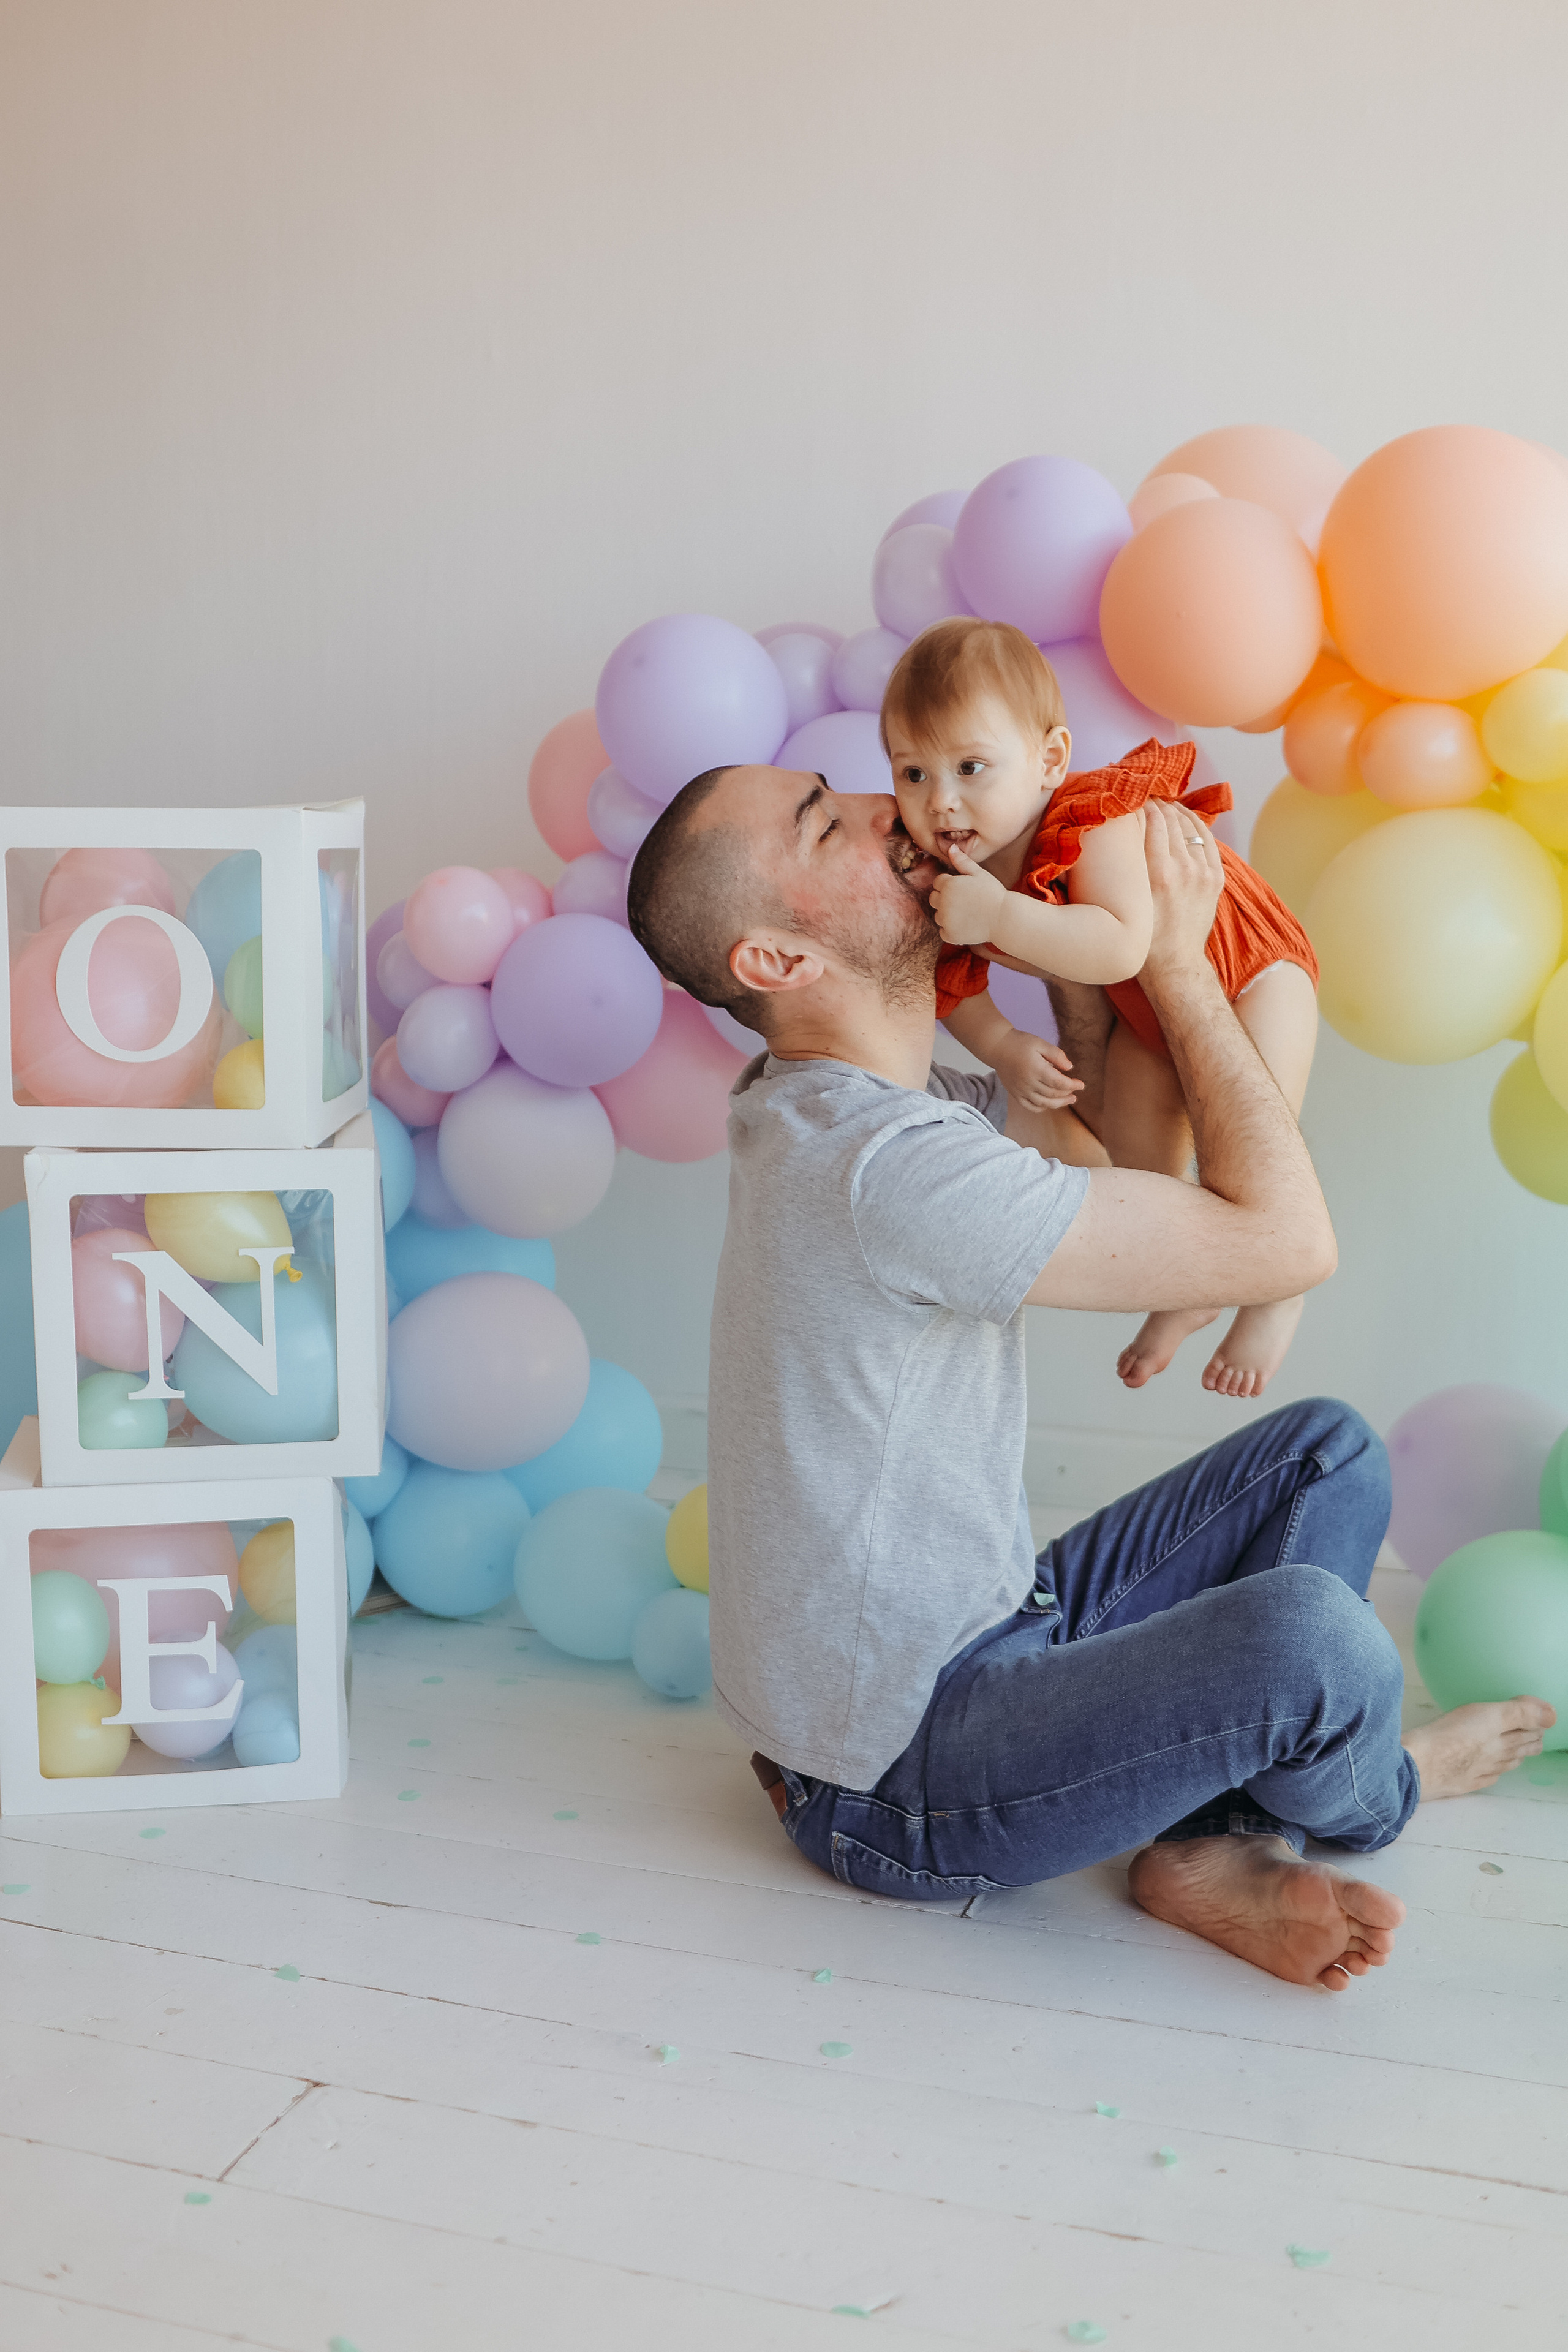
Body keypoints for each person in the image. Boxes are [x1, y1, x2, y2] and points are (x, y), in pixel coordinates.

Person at [625, 758, 1553, 1993]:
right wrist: (1169, 962)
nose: (877, 805)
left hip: (980, 1627)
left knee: (1321, 1454)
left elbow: (1121, 1153)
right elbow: (1288, 1243)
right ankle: (1377, 1792)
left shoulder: (839, 1103)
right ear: (777, 963)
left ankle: (1200, 1846)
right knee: (1319, 1641)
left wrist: (1078, 950)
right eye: (822, 822)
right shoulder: (882, 1169)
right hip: (896, 1779)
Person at [883, 617, 1319, 1400]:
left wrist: (1001, 919)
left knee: (1258, 1142)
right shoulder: (952, 867)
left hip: (1250, 972)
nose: (940, 801)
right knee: (1138, 1176)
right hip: (1148, 1017)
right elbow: (949, 983)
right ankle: (1187, 1281)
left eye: (970, 766)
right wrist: (1006, 1047)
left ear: (1050, 760)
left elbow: (1120, 946)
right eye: (912, 773)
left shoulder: (1095, 819)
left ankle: (1274, 1292)